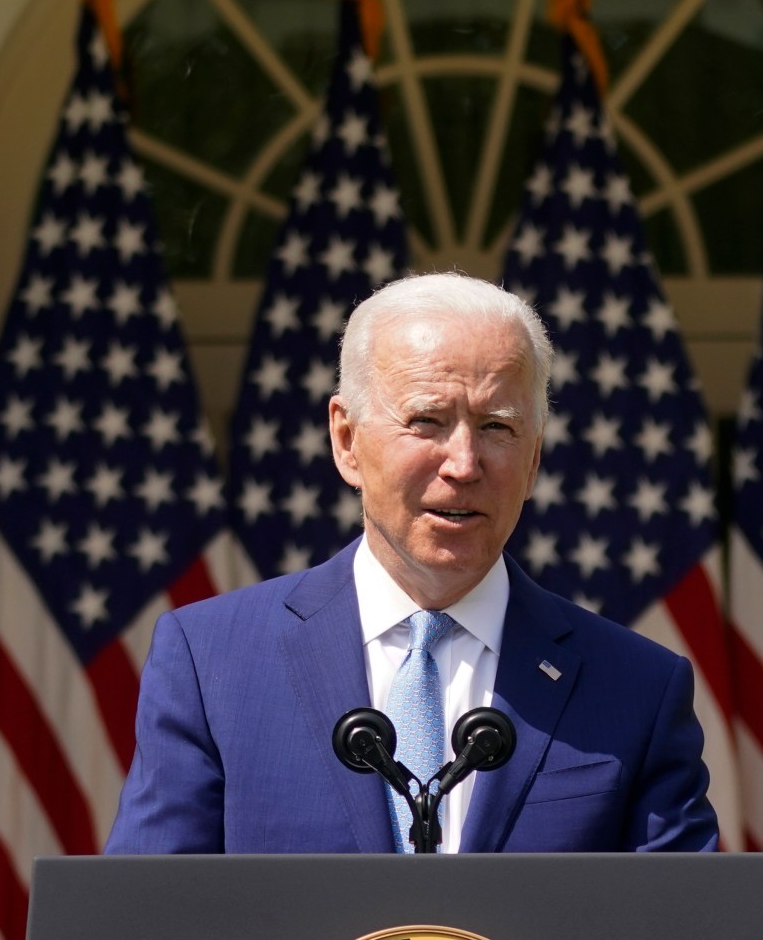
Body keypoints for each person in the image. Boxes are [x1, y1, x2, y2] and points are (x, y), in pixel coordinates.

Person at [107, 272, 719, 855]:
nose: (463, 463)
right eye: (426, 421)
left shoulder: (637, 687)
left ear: (534, 459)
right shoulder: (211, 660)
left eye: (497, 427)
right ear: (347, 441)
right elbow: (145, 926)